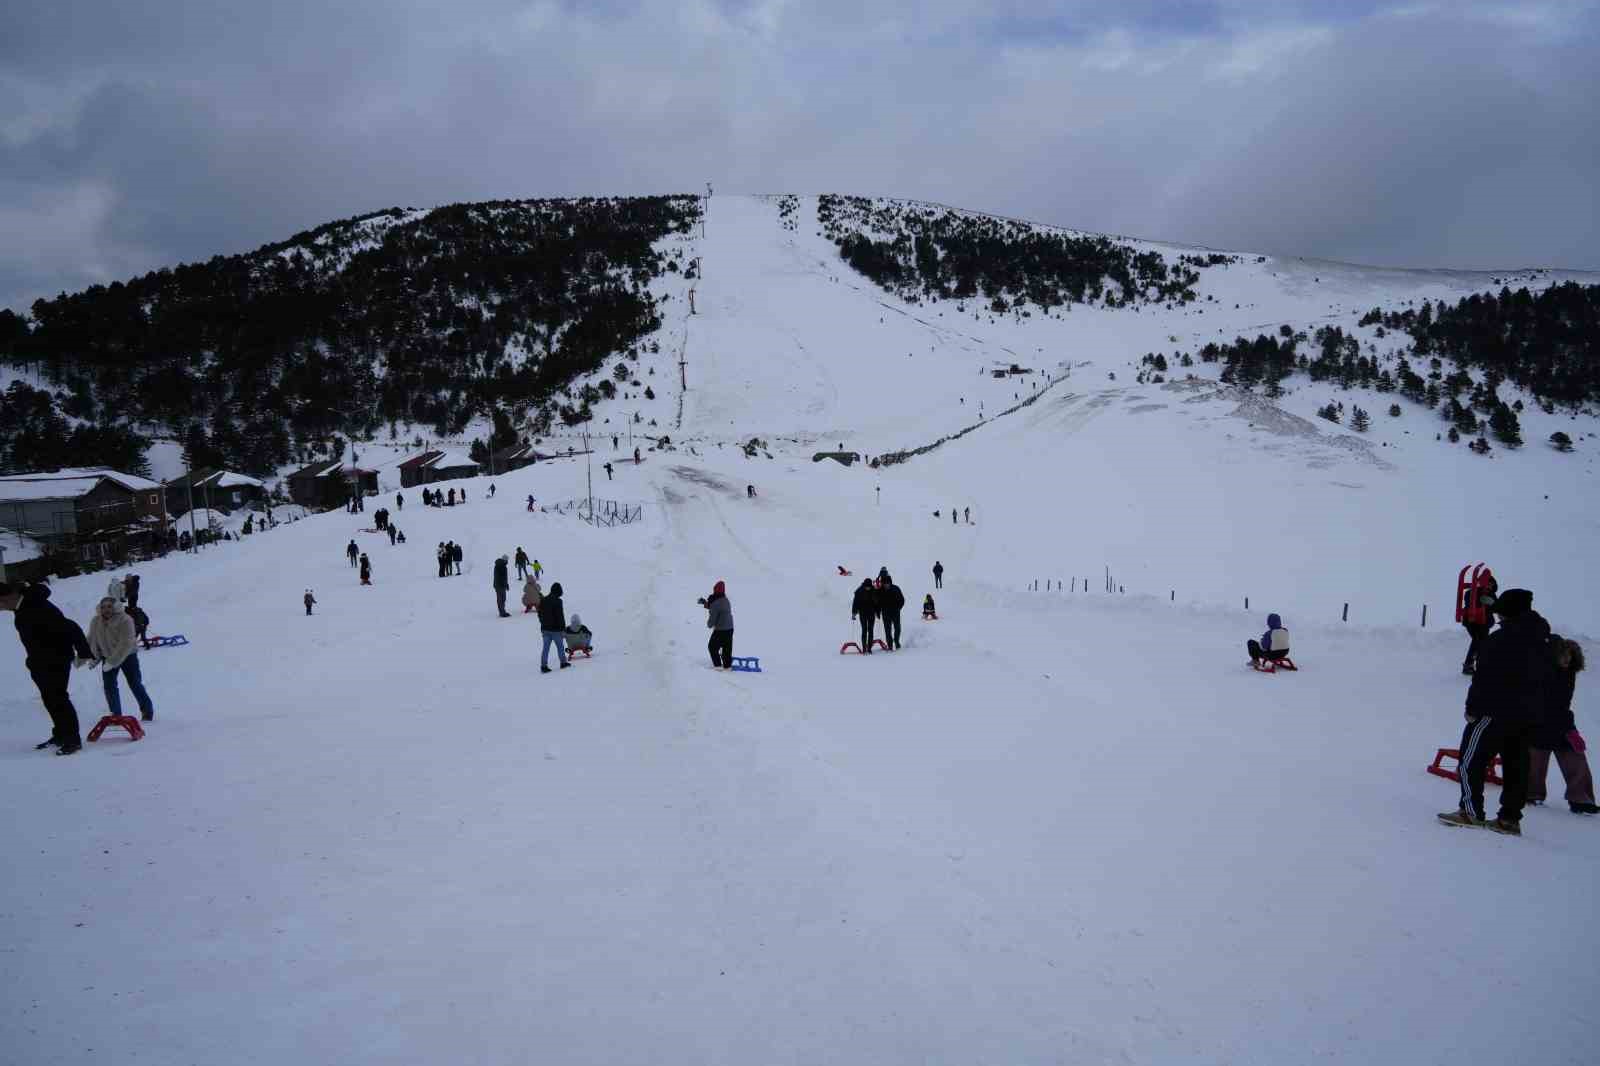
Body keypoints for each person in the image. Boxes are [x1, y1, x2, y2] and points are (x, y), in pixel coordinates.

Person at [1439, 588, 1551, 835]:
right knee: (1517, 766)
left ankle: (1470, 812)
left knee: (1470, 760)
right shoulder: (1545, 641)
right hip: (1527, 716)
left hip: (1493, 712)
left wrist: (1472, 709)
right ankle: (1509, 819)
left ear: (1507, 613)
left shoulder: (1499, 640)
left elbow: (1484, 678)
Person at [0, 580, 94, 755]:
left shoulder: (37, 606)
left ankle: (72, 740)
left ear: (8, 596)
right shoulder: (21, 607)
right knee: (50, 699)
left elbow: (70, 626)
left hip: (57, 659)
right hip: (40, 662)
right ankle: (60, 734)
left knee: (58, 698)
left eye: (0, 603)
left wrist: (83, 651)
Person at [1529, 637, 1597, 814]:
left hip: (1561, 721)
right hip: (1540, 721)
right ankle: (1531, 793)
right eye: (1564, 656)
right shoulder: (1543, 671)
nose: (1567, 660)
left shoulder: (1569, 673)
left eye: (1570, 656)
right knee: (1535, 758)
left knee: (1575, 757)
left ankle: (1581, 799)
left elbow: (1562, 702)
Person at [87, 596, 155, 722]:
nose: (106, 609)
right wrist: (89, 657)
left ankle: (147, 711)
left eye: (109, 606)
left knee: (134, 683)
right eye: (103, 607)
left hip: (128, 656)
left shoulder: (125, 619)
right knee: (109, 686)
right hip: (108, 657)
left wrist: (113, 662)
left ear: (115, 607)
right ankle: (115, 714)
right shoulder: (96, 621)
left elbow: (126, 643)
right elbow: (92, 640)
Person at [1461, 568, 1498, 675]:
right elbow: (1468, 601)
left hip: (1484, 623)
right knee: (1478, 641)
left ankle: (1478, 664)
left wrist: (1491, 602)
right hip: (1472, 622)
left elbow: (1496, 607)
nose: (1489, 587)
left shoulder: (1491, 595)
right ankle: (1470, 665)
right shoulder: (1471, 591)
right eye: (1488, 584)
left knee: (1481, 642)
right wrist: (1480, 600)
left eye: (1491, 585)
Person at [699, 581, 734, 669]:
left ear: (715, 590)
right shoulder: (725, 600)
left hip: (721, 629)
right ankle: (727, 666)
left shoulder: (715, 602)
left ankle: (718, 666)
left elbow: (713, 616)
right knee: (727, 647)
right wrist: (705, 603)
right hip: (730, 628)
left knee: (712, 647)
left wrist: (709, 624)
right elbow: (717, 608)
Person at [538, 581, 570, 672]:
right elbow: (560, 616)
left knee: (545, 648)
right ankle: (563, 663)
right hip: (556, 630)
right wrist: (563, 629)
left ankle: (543, 666)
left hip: (545, 629)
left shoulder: (543, 600)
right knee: (560, 647)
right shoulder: (558, 601)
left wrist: (542, 623)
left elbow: (539, 613)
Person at [878, 573, 905, 650]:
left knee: (897, 628)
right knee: (887, 630)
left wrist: (898, 608)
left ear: (890, 582)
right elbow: (877, 602)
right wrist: (878, 611)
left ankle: (896, 641)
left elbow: (902, 600)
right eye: (884, 583)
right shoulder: (880, 591)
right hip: (885, 613)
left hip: (895, 612)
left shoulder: (896, 589)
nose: (886, 585)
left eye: (887, 583)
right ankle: (889, 644)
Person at [851, 578, 879, 653]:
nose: (868, 588)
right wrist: (854, 613)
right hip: (862, 613)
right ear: (864, 585)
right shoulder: (859, 591)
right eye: (867, 586)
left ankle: (869, 648)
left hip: (871, 613)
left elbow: (876, 603)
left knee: (870, 630)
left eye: (869, 587)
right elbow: (855, 603)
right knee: (864, 630)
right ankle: (864, 647)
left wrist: (877, 612)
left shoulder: (874, 591)